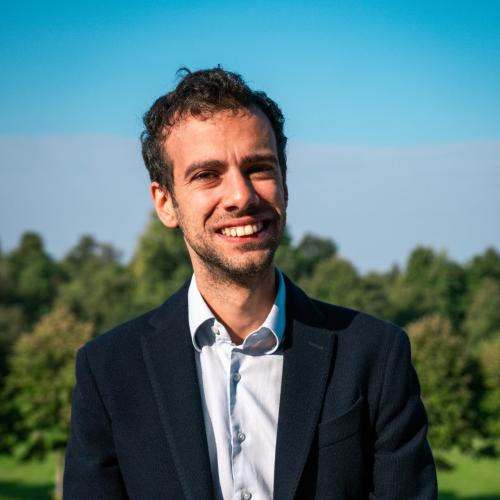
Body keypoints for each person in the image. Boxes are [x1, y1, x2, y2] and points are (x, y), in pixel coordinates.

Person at [63, 67, 437, 499]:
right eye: (207, 174)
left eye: (259, 168)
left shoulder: (376, 356)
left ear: (285, 185)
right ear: (165, 203)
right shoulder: (109, 370)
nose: (241, 196)